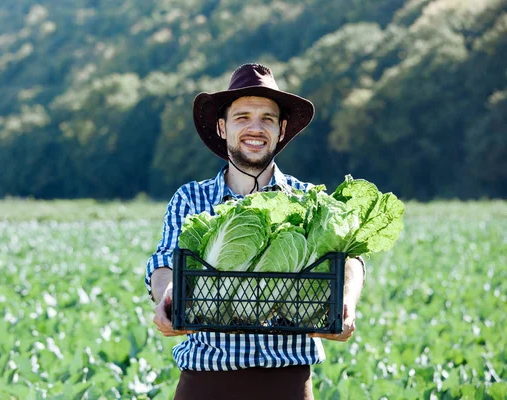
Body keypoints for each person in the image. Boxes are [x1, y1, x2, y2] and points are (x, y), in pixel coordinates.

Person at [145, 63, 365, 400]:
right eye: (242, 117)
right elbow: (165, 262)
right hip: (205, 382)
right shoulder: (191, 198)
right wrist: (166, 297)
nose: (255, 128)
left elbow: (349, 256)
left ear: (281, 130)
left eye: (267, 118)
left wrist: (347, 301)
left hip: (287, 383)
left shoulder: (308, 201)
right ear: (222, 127)